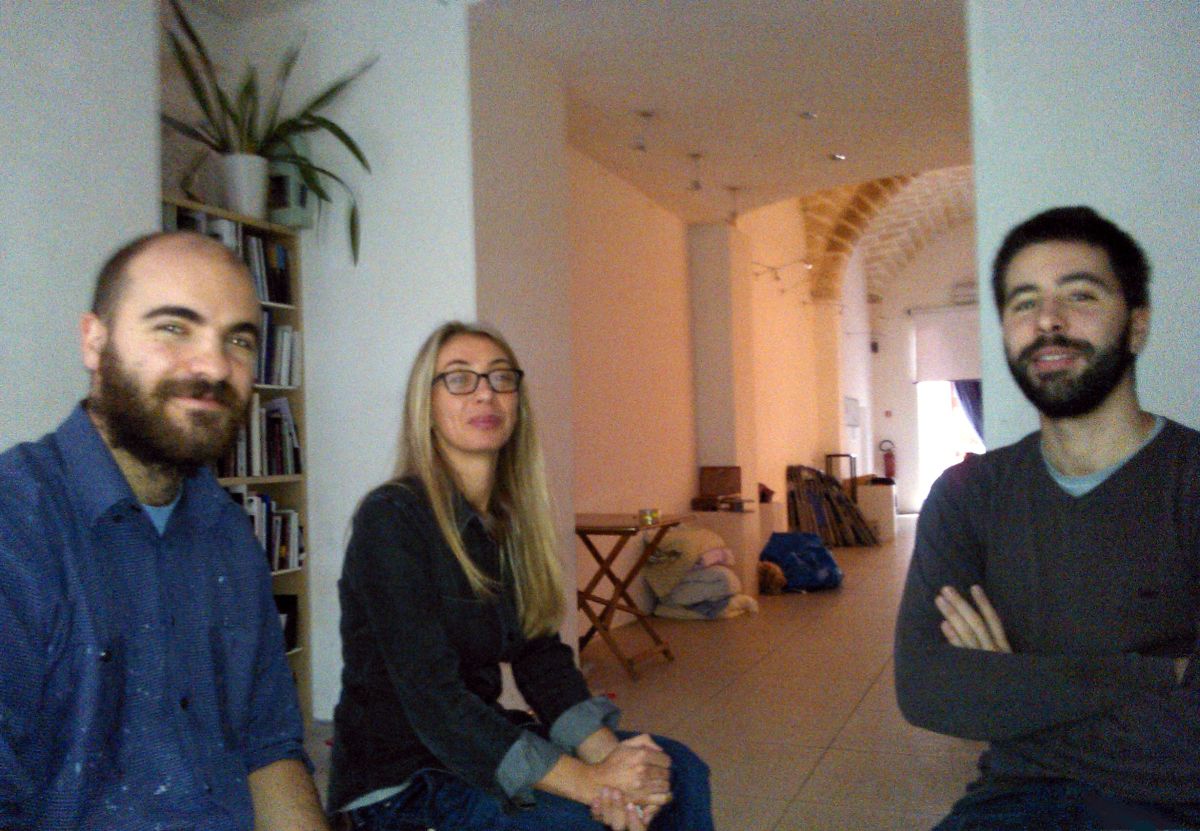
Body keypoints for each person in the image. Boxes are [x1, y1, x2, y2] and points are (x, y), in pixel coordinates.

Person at [327, 321, 713, 830]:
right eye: (459, 378)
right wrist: (588, 782)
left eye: (500, 377)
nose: (485, 393)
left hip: (476, 747)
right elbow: (435, 702)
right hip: (403, 780)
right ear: (426, 405)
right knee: (578, 820)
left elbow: (540, 656)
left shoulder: (507, 523)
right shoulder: (392, 518)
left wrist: (608, 757)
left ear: (517, 401)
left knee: (678, 771)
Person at [0, 232, 328, 829]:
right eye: (174, 327)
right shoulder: (16, 527)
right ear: (94, 341)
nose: (214, 366)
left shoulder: (230, 535)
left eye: (238, 340)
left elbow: (269, 750)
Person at [894, 206, 1200, 829]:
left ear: (1137, 326)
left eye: (1080, 295)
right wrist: (1163, 675)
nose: (1048, 321)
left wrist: (1010, 685)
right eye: (1024, 302)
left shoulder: (1190, 482)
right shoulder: (967, 496)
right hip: (1011, 799)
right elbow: (926, 687)